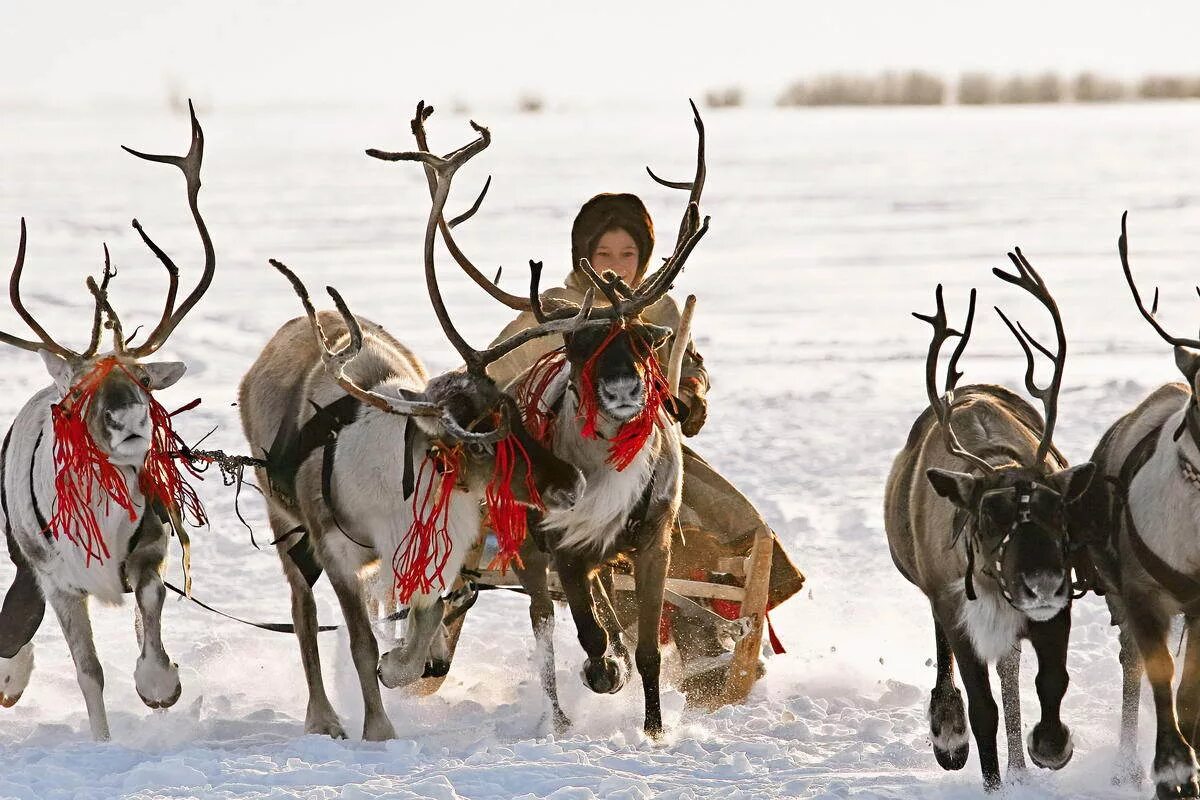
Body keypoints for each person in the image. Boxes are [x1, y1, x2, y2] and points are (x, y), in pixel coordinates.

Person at [487, 192, 805, 702]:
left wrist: (690, 392)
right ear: (582, 256)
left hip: (650, 450)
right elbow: (496, 369)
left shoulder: (658, 305)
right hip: (562, 458)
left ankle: (705, 639)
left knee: (723, 524)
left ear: (644, 258)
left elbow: (691, 365)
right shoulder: (554, 310)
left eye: (627, 255)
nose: (615, 267)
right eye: (603, 255)